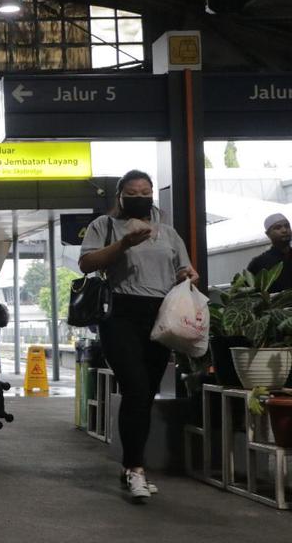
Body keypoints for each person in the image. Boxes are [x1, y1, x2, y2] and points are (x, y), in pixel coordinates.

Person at [79, 170, 198, 502]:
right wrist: (123, 244)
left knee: (145, 395)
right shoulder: (104, 226)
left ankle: (132, 465)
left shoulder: (169, 233)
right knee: (135, 388)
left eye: (145, 191)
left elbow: (182, 271)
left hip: (160, 315)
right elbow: (87, 263)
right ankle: (135, 468)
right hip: (120, 314)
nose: (140, 196)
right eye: (132, 192)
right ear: (120, 196)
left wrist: (188, 274)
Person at [246, 212, 292, 293]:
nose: (284, 230)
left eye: (287, 226)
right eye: (278, 228)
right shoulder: (258, 263)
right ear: (268, 234)